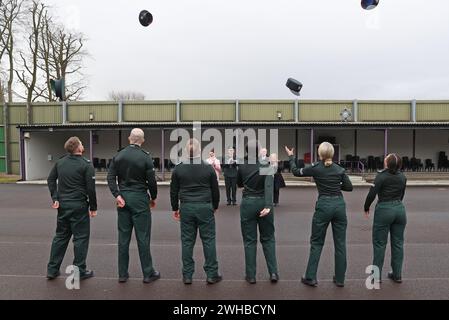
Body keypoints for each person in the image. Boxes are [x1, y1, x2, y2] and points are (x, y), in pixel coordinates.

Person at [285, 142, 353, 287]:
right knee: (340, 243)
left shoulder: (316, 168)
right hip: (339, 205)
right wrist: (336, 184)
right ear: (332, 154)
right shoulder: (339, 169)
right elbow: (349, 187)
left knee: (316, 242)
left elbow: (296, 171)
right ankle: (340, 278)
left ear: (320, 154)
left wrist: (291, 157)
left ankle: (310, 276)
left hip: (324, 205)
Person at [107, 128, 159, 284]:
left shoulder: (118, 155)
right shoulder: (146, 157)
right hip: (140, 199)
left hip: (123, 198)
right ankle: (147, 273)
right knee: (143, 237)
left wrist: (117, 195)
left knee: (123, 238)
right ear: (142, 140)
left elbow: (110, 178)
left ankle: (122, 274)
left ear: (130, 138)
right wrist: (153, 197)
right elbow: (152, 181)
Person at [170, 138, 222, 285]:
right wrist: (215, 205)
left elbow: (173, 191)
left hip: (186, 207)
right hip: (205, 206)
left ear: (186, 150)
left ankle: (187, 275)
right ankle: (211, 274)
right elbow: (215, 190)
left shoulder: (178, 168)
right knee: (209, 240)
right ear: (200, 151)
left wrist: (175, 208)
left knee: (187, 242)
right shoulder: (207, 168)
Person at [46, 136, 97, 280]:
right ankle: (79, 270)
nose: (82, 145)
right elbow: (91, 189)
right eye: (81, 143)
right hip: (79, 206)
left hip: (63, 206)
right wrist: (93, 207)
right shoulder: (86, 165)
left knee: (60, 237)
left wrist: (55, 197)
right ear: (78, 148)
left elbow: (50, 179)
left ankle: (52, 269)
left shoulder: (60, 162)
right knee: (80, 239)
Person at [237, 142, 279, 284]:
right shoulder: (265, 165)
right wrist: (268, 205)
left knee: (249, 241)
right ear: (259, 151)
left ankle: (251, 275)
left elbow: (239, 184)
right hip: (263, 202)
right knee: (268, 239)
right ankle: (273, 272)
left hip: (248, 203)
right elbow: (269, 185)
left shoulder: (242, 165)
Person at [364, 153, 407, 284]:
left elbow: (372, 194)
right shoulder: (402, 177)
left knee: (379, 244)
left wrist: (366, 207)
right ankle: (397, 274)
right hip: (399, 209)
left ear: (388, 163)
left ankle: (376, 277)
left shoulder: (381, 176)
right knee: (398, 243)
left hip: (384, 209)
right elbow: (402, 194)